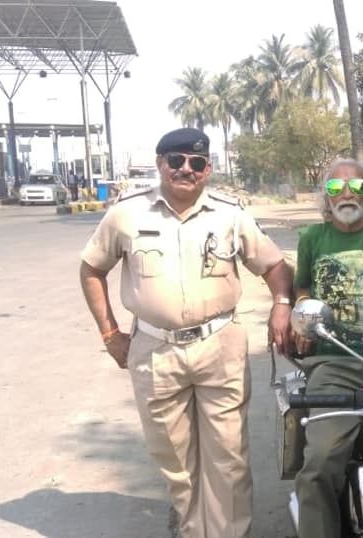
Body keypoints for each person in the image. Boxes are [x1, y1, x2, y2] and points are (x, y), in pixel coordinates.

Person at [78, 127, 294, 538]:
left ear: (208, 169)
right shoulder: (127, 213)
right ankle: (194, 530)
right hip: (155, 350)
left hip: (220, 346)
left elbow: (273, 265)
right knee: (174, 457)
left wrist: (282, 305)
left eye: (196, 163)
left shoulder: (230, 214)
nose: (186, 169)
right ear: (160, 163)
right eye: (176, 160)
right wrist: (110, 333)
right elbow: (92, 268)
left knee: (228, 457)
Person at [291, 158, 363, 538]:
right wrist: (302, 317)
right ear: (325, 196)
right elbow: (303, 289)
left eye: (356, 187)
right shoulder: (312, 238)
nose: (345, 194)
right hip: (337, 362)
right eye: (335, 188)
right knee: (321, 461)